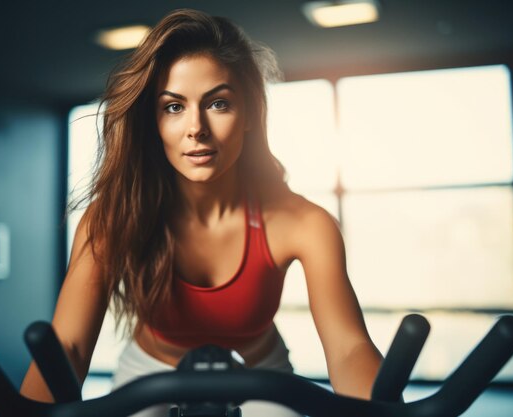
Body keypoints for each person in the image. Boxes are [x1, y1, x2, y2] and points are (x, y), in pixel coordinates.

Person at [20, 8, 383, 416]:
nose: (196, 128)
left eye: (218, 104)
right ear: (152, 121)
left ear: (248, 114)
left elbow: (348, 346)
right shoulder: (109, 221)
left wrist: (378, 408)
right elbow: (67, 346)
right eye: (174, 107)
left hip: (259, 370)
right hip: (150, 371)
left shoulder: (305, 224)